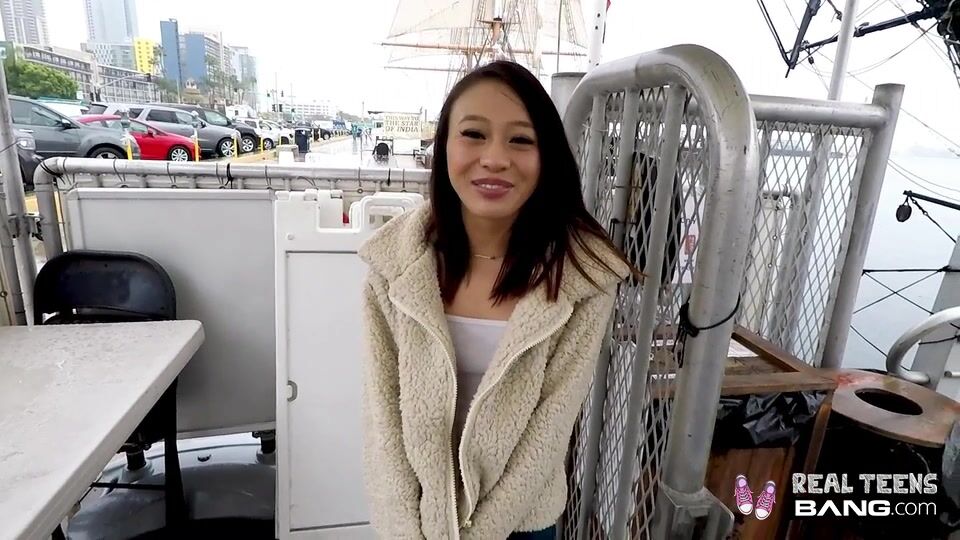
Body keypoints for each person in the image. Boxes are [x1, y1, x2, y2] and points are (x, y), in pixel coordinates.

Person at [357, 60, 640, 540]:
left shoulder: (583, 276)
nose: (494, 158)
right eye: (473, 134)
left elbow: (549, 432)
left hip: (522, 520)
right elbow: (383, 417)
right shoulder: (393, 265)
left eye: (521, 140)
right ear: (444, 145)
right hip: (417, 521)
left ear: (547, 156)